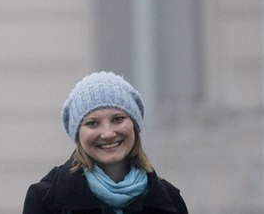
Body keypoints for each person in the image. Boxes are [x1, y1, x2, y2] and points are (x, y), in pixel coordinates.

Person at [23, 71, 188, 214]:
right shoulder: (45, 201)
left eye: (118, 119)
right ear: (77, 134)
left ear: (135, 126)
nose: (108, 134)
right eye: (92, 123)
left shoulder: (170, 200)